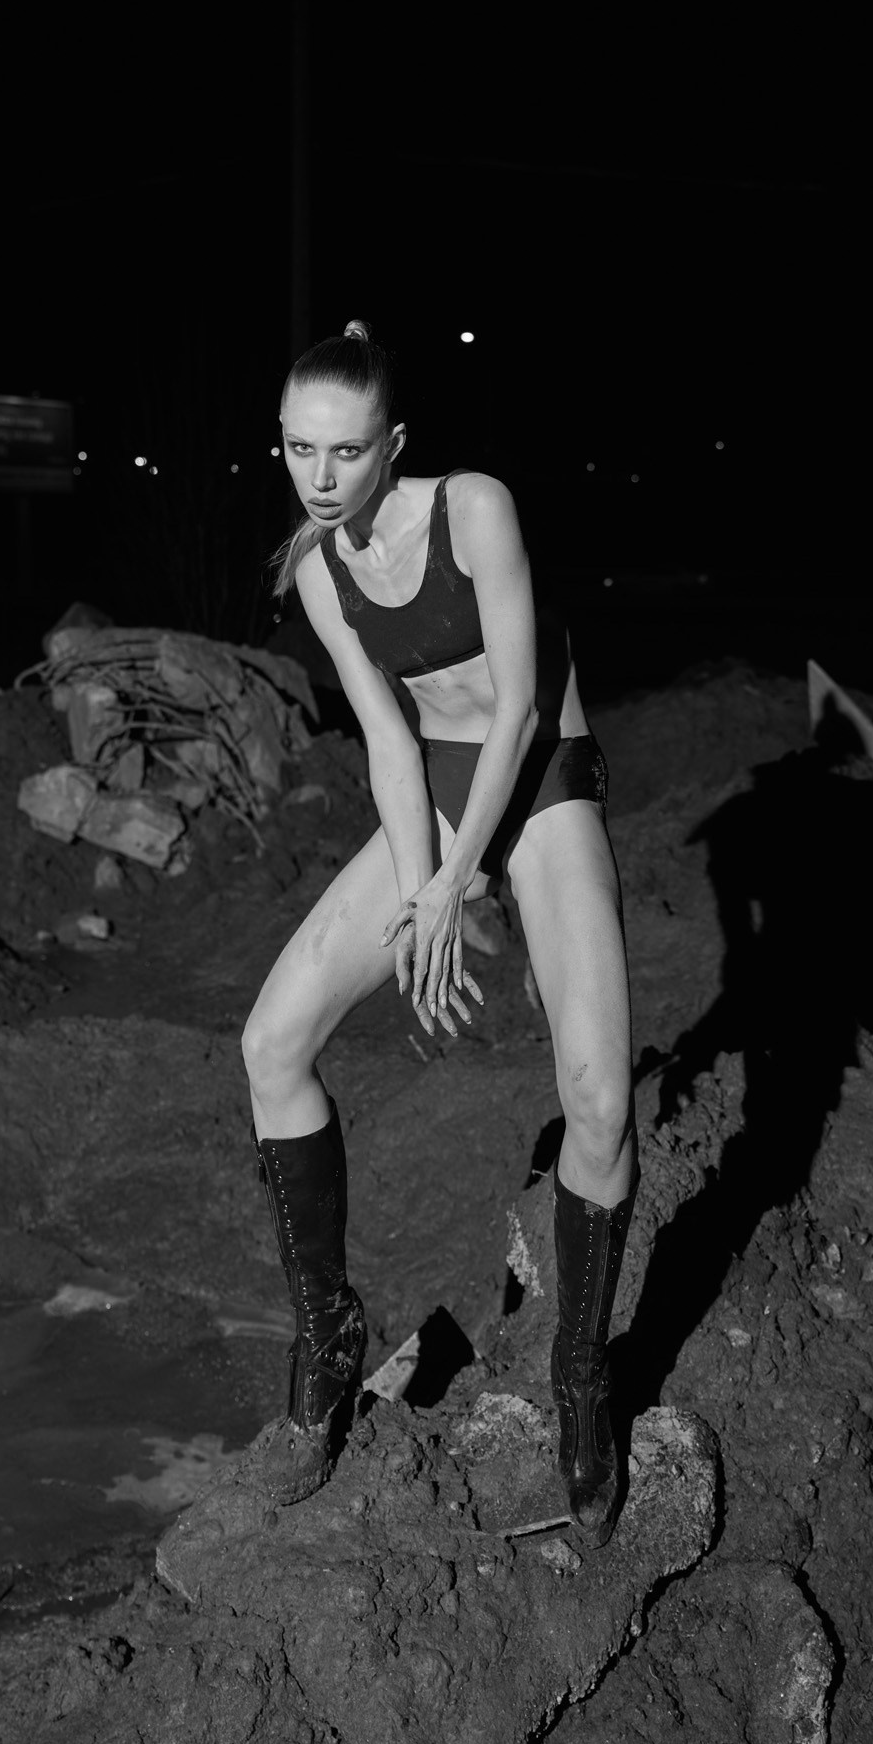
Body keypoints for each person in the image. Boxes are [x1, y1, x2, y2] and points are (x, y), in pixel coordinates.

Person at [240, 321, 637, 1548]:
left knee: (600, 1100)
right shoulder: (319, 568)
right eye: (298, 449)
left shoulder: (475, 508)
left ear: (393, 444)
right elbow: (389, 739)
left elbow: (516, 710)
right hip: (443, 793)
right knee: (271, 1042)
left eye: (345, 451)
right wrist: (419, 894)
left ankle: (581, 1378)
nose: (319, 476)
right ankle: (327, 1335)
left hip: (542, 775)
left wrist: (459, 888)